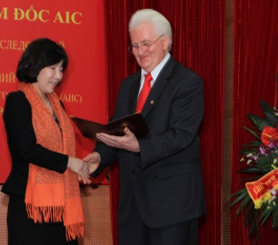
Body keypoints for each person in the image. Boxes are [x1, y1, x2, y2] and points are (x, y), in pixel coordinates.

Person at [84, 9, 205, 245]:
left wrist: (139, 145)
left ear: (166, 42)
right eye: (135, 46)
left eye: (146, 43)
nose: (140, 51)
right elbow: (118, 133)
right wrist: (98, 156)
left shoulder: (188, 82)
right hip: (132, 206)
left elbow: (181, 136)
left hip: (172, 207)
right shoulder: (128, 85)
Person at [1, 38, 90, 245]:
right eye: (52, 68)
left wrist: (82, 166)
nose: (58, 76)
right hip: (29, 207)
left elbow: (62, 149)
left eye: (61, 69)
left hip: (62, 208)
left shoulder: (59, 106)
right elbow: (28, 150)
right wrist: (69, 162)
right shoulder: (17, 101)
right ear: (35, 65)